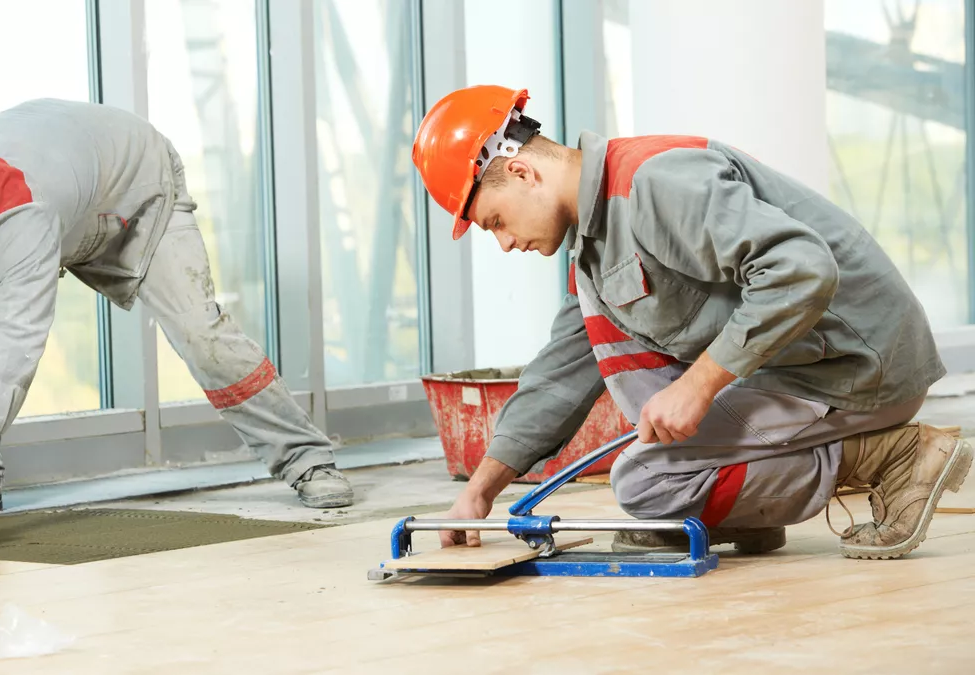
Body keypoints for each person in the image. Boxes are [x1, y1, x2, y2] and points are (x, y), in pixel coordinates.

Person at [412, 84, 972, 560]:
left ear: (521, 171)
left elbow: (799, 268)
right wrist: (480, 492)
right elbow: (561, 373)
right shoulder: (594, 249)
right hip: (801, 372)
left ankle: (895, 455)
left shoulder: (656, 181)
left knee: (647, 481)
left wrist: (698, 386)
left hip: (857, 368)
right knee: (600, 337)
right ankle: (745, 512)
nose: (506, 243)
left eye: (495, 222)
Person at [0, 99, 354, 533]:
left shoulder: (17, 207)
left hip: (132, 193)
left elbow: (15, 344)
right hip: (51, 194)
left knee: (199, 332)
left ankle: (306, 458)